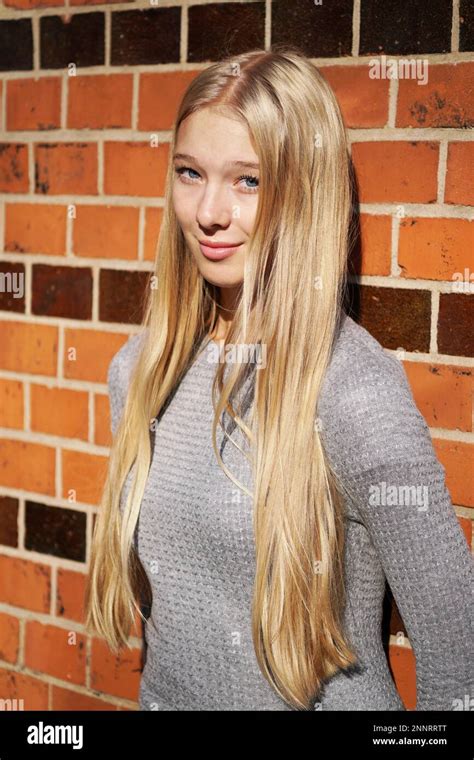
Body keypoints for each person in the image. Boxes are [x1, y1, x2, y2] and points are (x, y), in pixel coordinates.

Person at [85, 47, 473, 711]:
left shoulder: (351, 388)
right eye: (190, 172)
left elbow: (458, 661)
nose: (209, 211)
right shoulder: (141, 371)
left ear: (303, 190)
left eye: (248, 182)